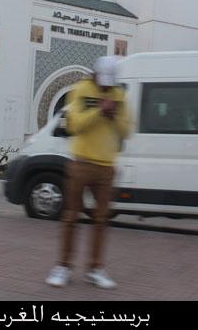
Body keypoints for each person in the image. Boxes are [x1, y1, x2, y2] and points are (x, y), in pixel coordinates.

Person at [46, 56, 132, 289]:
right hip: (81, 163)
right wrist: (99, 111)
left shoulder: (119, 95)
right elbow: (74, 125)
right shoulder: (82, 90)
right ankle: (63, 267)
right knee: (71, 216)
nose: (106, 87)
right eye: (103, 81)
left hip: (106, 166)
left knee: (101, 220)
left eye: (110, 82)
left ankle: (95, 269)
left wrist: (114, 116)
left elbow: (127, 131)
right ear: (95, 74)